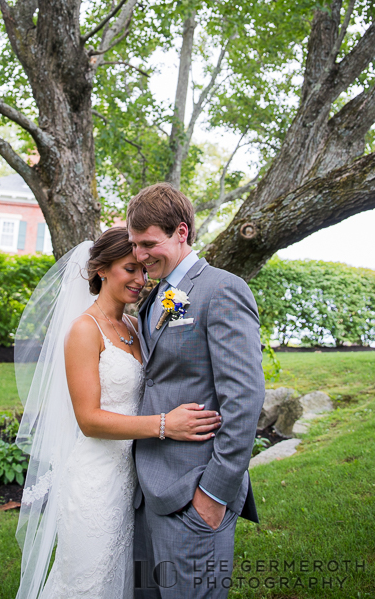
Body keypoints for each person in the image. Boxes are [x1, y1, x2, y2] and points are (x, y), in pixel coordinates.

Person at [14, 227, 221, 599]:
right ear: (101, 270)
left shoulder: (133, 324)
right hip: (95, 480)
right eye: (130, 269)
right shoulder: (83, 330)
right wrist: (164, 425)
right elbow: (89, 420)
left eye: (144, 270)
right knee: (88, 581)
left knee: (127, 581)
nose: (142, 280)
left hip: (136, 480)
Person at [127, 182, 265, 599]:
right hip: (148, 491)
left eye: (148, 243)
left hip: (194, 496)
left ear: (181, 232)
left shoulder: (222, 289)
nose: (139, 256)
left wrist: (213, 493)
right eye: (134, 245)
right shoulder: (158, 297)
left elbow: (244, 399)